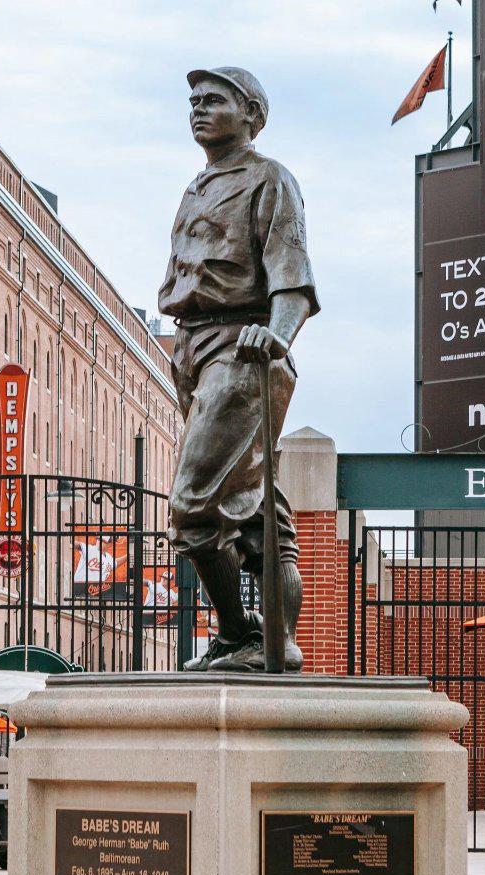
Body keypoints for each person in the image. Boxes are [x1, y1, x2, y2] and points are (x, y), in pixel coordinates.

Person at [159, 66, 317, 672]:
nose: (198, 108)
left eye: (214, 100)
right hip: (195, 350)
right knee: (252, 508)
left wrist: (273, 339)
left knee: (194, 505)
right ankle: (272, 641)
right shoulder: (197, 185)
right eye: (193, 100)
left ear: (252, 113)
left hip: (244, 349)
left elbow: (294, 282)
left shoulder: (270, 179)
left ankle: (241, 635)